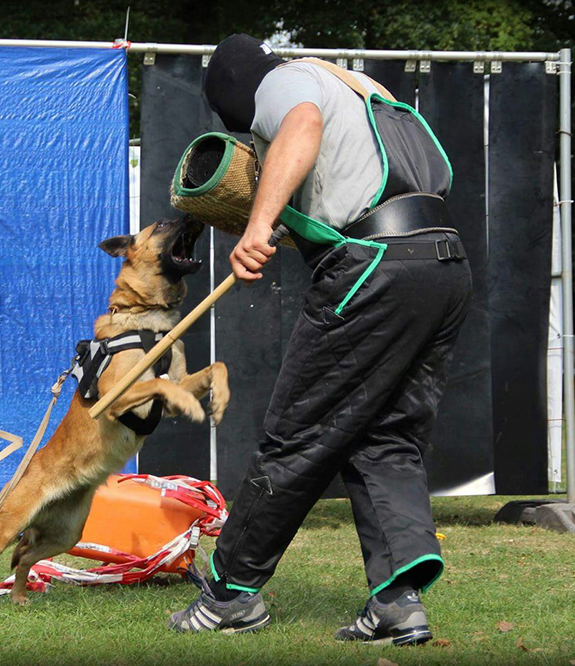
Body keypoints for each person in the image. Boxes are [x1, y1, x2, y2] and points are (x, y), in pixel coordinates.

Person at [168, 34, 472, 645]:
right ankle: (396, 602)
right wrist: (283, 215)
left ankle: (230, 594)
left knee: (298, 433)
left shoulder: (281, 89)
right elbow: (356, 170)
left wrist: (256, 224)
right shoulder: (358, 87)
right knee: (386, 435)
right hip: (442, 263)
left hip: (374, 267)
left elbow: (300, 126)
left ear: (237, 96)